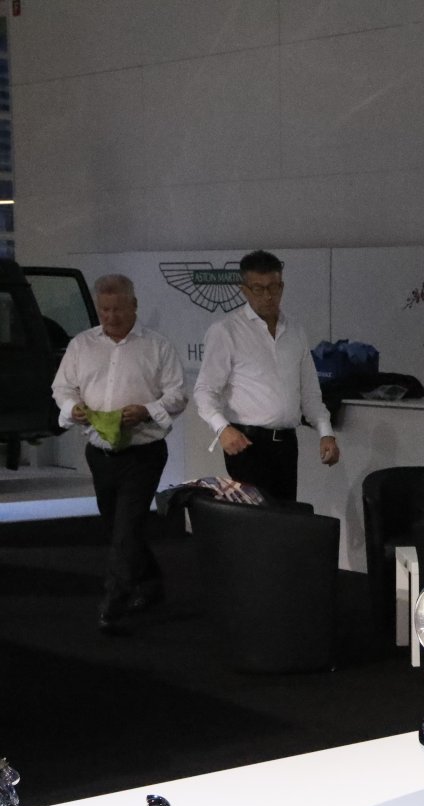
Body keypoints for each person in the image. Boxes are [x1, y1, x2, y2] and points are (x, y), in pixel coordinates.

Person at [50, 274, 187, 634]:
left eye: (117, 309)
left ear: (134, 306)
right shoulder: (81, 345)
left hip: (144, 453)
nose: (110, 317)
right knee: (119, 527)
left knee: (125, 529)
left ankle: (113, 601)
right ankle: (151, 582)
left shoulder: (157, 346)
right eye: (104, 310)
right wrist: (72, 407)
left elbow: (177, 396)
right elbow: (62, 387)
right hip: (99, 453)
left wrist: (146, 410)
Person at [193, 250, 339, 502]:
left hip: (286, 444)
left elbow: (310, 392)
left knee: (285, 516)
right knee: (257, 520)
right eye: (258, 289)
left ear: (282, 286)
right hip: (247, 443)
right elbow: (205, 391)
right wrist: (222, 428)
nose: (268, 295)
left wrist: (326, 432)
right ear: (244, 290)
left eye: (273, 287)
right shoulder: (226, 331)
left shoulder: (295, 331)